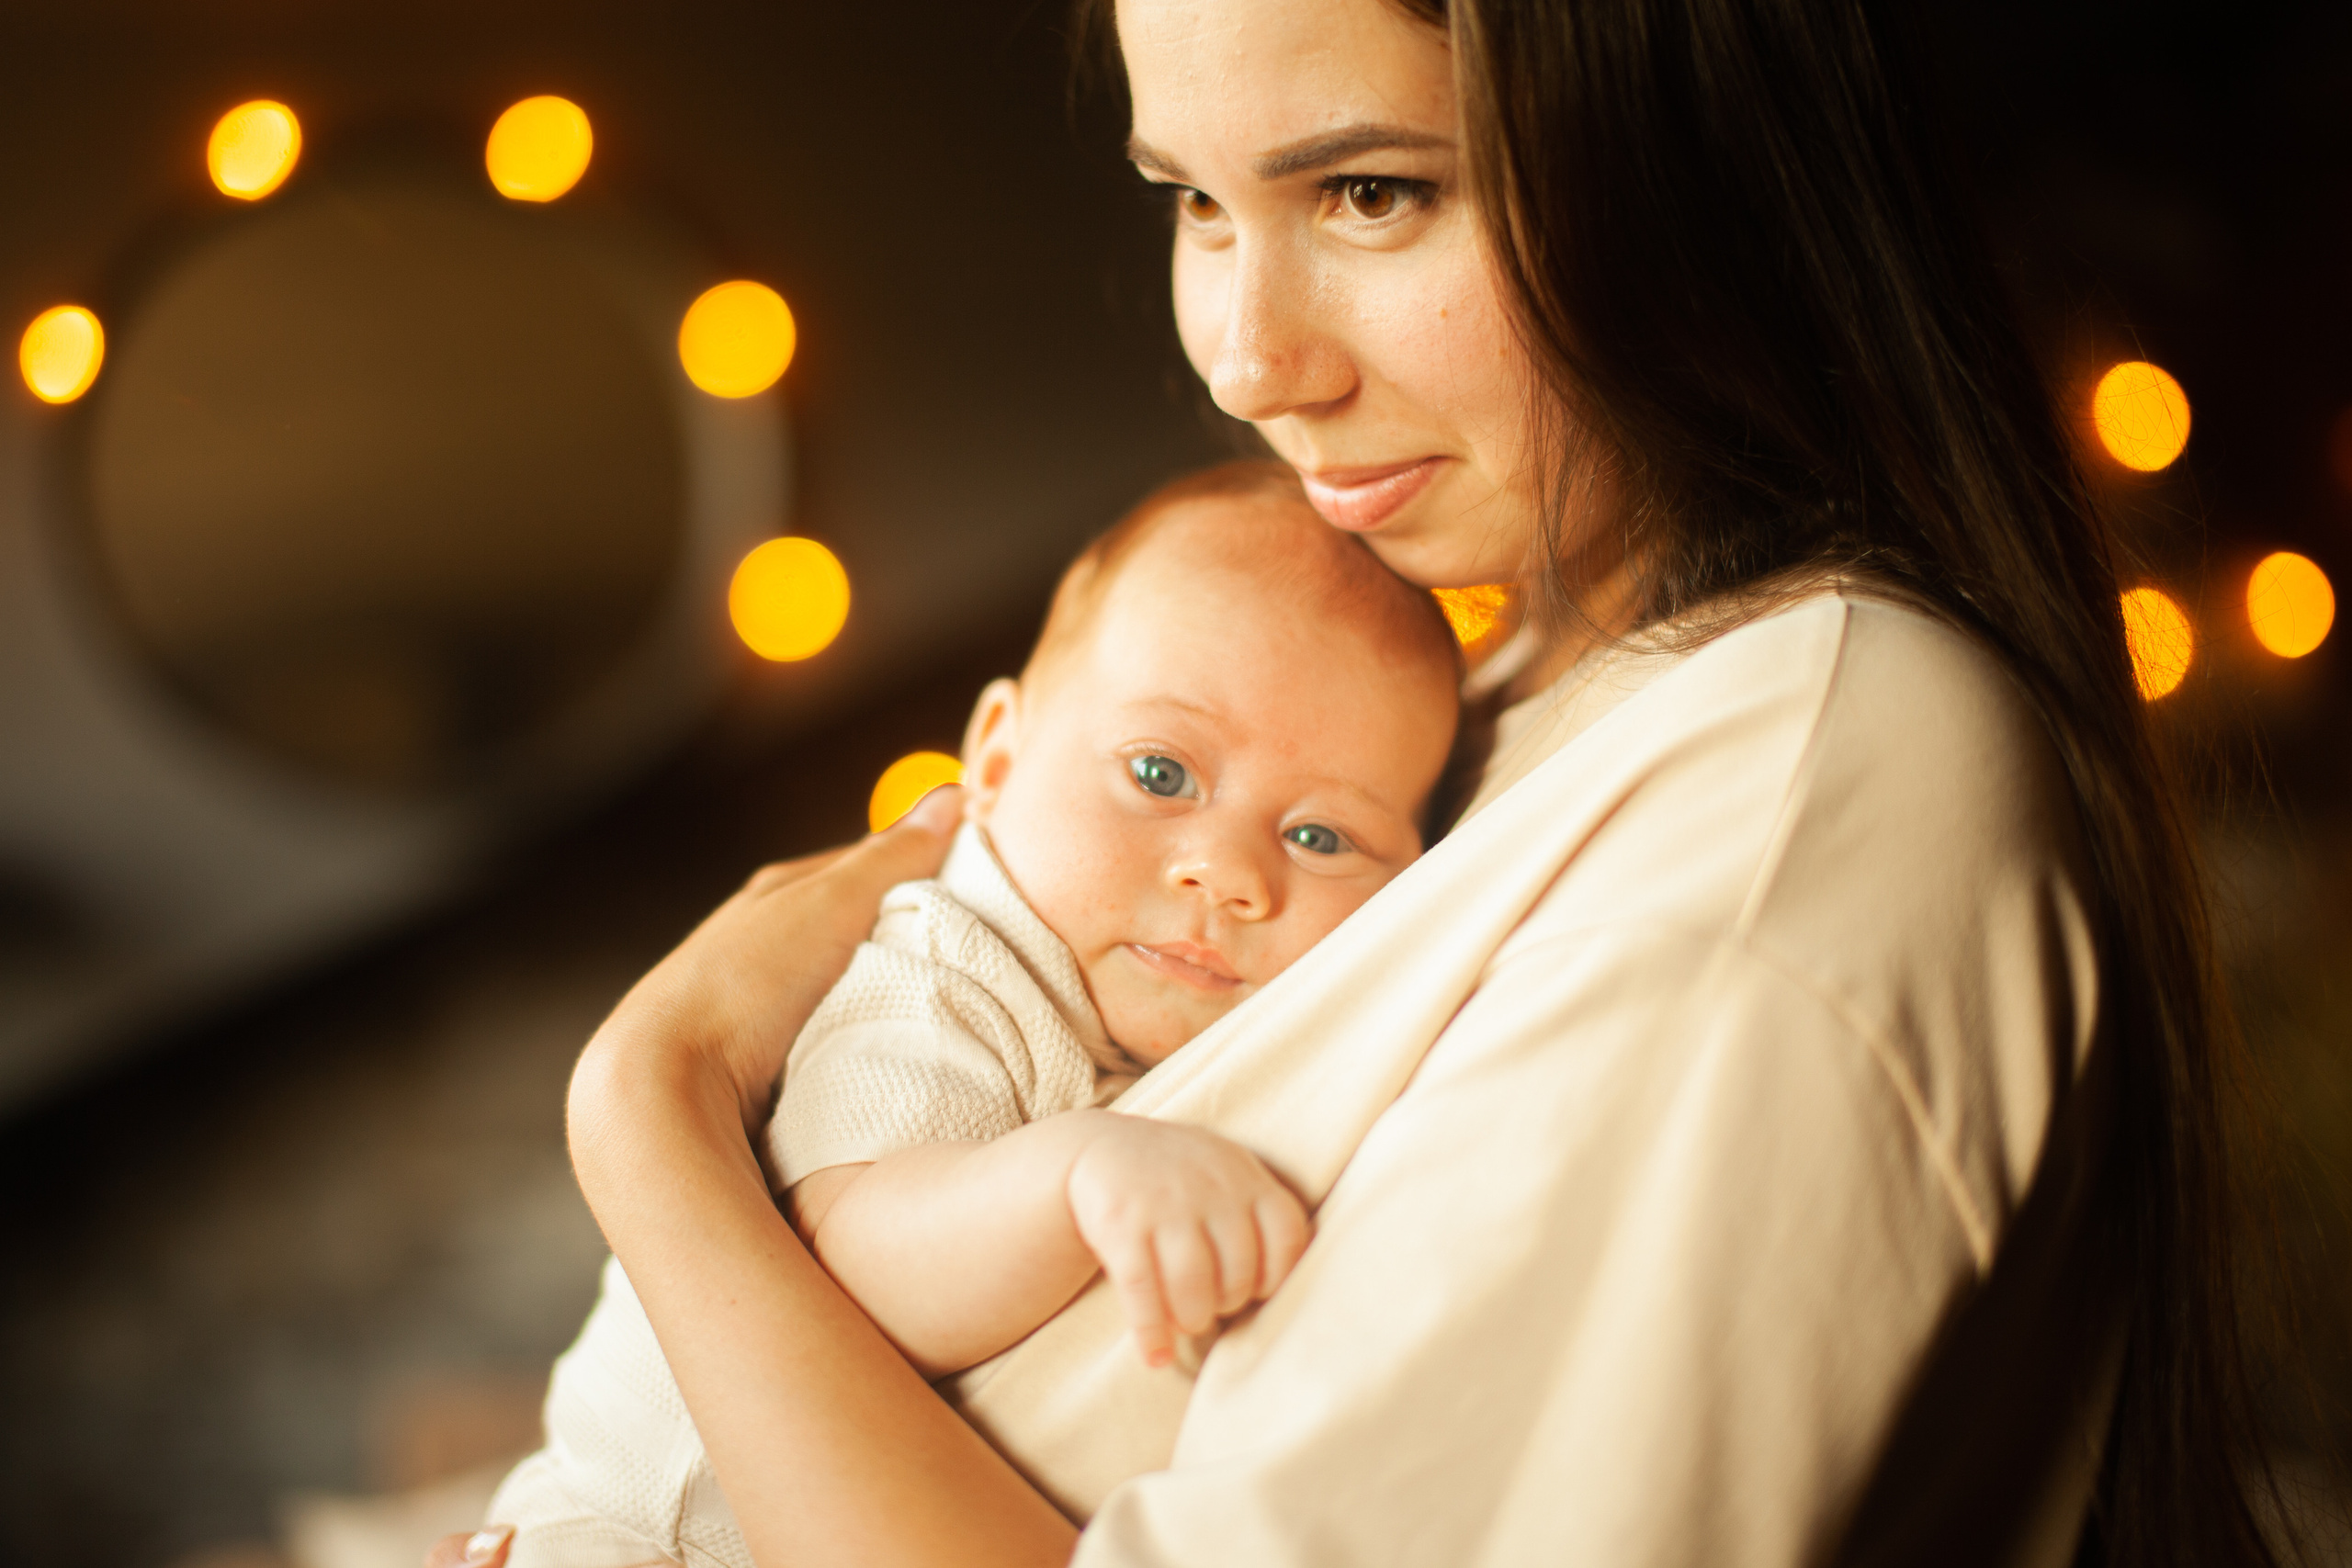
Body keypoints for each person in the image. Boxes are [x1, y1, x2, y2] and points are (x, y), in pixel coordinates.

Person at [437, 0, 2281, 1562]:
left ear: (1685, 158)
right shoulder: (1479, 689)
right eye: (1191, 201)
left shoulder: (1805, 773)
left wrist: (651, 1122)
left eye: (1373, 192)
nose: (1249, 360)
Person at [480, 465, 1461, 1568]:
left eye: (1321, 838)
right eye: (1159, 772)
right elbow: (855, 1264)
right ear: (993, 759)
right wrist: (1079, 1172)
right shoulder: (952, 969)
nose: (1228, 874)